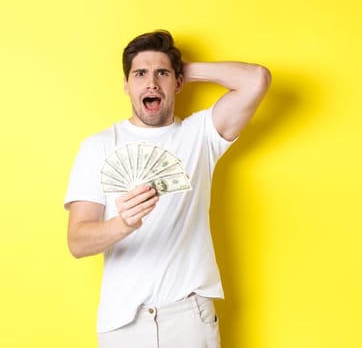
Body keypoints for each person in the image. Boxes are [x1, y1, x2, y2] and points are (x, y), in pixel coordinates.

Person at [63, 30, 270, 347]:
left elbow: (256, 79)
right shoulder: (97, 147)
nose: (151, 83)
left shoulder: (199, 135)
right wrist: (124, 224)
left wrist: (183, 68)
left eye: (162, 74)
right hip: (122, 321)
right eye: (140, 74)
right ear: (126, 84)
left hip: (189, 316)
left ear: (178, 83)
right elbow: (77, 241)